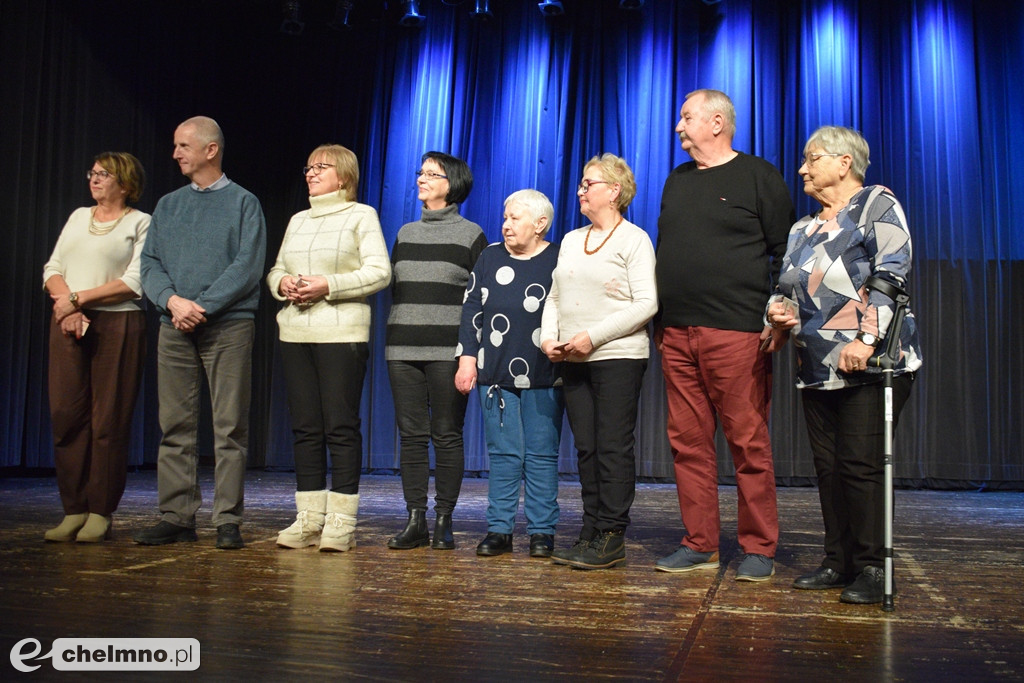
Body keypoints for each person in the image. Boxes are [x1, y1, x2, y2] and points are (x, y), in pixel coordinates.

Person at [767, 126, 922, 604]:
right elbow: (787, 287)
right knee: (829, 468)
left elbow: (891, 274)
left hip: (870, 362)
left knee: (861, 465)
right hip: (815, 365)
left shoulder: (877, 203)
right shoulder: (802, 228)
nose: (802, 170)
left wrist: (866, 338)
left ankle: (874, 567)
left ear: (843, 162)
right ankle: (838, 560)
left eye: (811, 159)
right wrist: (775, 310)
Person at [655, 89, 794, 581]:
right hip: (676, 333)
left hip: (736, 332)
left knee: (748, 442)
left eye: (686, 116)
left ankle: (759, 547)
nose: (678, 126)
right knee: (687, 443)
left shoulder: (758, 176)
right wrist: (662, 324)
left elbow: (788, 254)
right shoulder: (677, 180)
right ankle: (700, 544)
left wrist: (778, 315)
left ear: (717, 122)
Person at [134, 116, 266, 550]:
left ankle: (227, 519)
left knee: (229, 427)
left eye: (183, 146)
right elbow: (149, 263)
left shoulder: (244, 202)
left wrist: (202, 306)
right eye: (175, 146)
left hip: (227, 326)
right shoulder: (169, 205)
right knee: (174, 424)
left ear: (211, 150)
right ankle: (177, 515)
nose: (175, 154)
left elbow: (247, 267)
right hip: (173, 324)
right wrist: (172, 302)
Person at [266, 144, 390, 552]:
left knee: (339, 426)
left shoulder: (361, 215)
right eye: (309, 166)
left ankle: (341, 522)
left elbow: (379, 271)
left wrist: (328, 285)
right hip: (296, 331)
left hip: (342, 334)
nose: (311, 173)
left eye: (322, 167)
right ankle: (308, 518)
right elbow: (277, 268)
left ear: (344, 176)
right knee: (305, 429)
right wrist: (281, 284)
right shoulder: (298, 219)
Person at [540, 154, 657, 570]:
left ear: (615, 191)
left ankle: (612, 533)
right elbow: (554, 296)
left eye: (589, 184)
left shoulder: (634, 240)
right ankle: (590, 529)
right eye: (581, 184)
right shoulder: (572, 240)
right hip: (574, 359)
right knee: (587, 448)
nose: (580, 191)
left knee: (611, 446)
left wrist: (593, 337)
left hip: (617, 357)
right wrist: (548, 338)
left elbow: (647, 303)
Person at [42, 152, 150, 543]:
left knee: (109, 420)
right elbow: (52, 268)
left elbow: (134, 281)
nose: (95, 179)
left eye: (105, 174)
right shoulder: (77, 216)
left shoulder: (140, 222)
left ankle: (100, 511)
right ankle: (73, 509)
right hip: (69, 321)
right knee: (66, 415)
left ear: (125, 183)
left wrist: (78, 299)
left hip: (118, 322)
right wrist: (67, 305)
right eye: (93, 173)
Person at [385, 152, 487, 550]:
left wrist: (469, 353)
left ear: (452, 182)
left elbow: (479, 300)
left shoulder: (470, 234)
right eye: (420, 173)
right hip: (402, 348)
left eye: (432, 174)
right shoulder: (405, 233)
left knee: (446, 434)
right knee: (411, 436)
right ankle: (415, 520)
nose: (422, 179)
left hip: (448, 350)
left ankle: (444, 520)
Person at [455, 190, 563, 558]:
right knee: (503, 455)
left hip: (544, 371)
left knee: (541, 455)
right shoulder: (490, 257)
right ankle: (499, 529)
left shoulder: (558, 257)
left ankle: (541, 531)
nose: (506, 224)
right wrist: (467, 359)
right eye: (505, 217)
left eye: (515, 218)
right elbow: (472, 310)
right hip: (496, 372)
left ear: (540, 224)